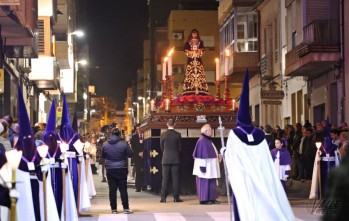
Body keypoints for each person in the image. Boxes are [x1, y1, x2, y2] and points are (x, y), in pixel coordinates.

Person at [221, 69, 294, 220]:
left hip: (244, 178)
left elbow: (232, 156)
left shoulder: (235, 134)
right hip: (260, 176)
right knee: (262, 202)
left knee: (243, 203)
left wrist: (224, 151)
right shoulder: (260, 134)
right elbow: (265, 157)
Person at [102, 127, 134, 214]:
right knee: (123, 189)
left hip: (110, 168)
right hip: (121, 168)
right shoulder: (124, 143)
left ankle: (113, 209)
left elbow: (103, 155)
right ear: (119, 134)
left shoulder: (105, 144)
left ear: (111, 134)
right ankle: (126, 208)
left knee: (112, 189)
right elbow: (130, 154)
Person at [192, 124, 221, 204]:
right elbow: (201, 156)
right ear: (206, 131)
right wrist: (202, 167)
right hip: (205, 167)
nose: (211, 131)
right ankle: (204, 199)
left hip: (210, 167)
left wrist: (218, 156)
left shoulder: (207, 140)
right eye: (210, 130)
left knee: (211, 183)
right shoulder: (202, 141)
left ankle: (212, 198)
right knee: (205, 183)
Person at [159, 118, 183, 203]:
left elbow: (161, 147)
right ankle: (176, 198)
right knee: (175, 178)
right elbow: (180, 148)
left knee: (165, 178)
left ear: (167, 124)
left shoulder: (163, 134)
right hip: (175, 159)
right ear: (175, 124)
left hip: (165, 159)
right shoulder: (178, 135)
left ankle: (163, 198)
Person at [182, 28, 209, 95]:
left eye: (195, 33)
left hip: (198, 59)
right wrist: (190, 52)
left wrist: (198, 51)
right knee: (190, 73)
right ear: (191, 34)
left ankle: (201, 88)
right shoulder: (188, 42)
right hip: (191, 60)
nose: (194, 35)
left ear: (197, 34)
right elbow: (185, 50)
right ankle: (189, 88)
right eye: (193, 33)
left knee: (199, 73)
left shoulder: (200, 42)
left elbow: (203, 50)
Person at [130, 124, 147, 192]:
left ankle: (144, 186)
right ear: (136, 130)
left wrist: (143, 152)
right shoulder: (134, 137)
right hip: (137, 156)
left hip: (145, 156)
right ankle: (138, 187)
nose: (139, 130)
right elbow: (133, 147)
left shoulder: (146, 136)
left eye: (140, 128)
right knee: (138, 171)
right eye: (137, 129)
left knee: (145, 171)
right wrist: (138, 153)